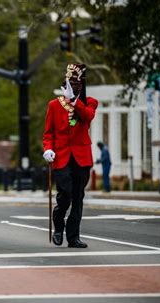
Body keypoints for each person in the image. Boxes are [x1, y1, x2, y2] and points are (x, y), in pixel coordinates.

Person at [42, 63, 98, 248]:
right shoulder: (54, 105)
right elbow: (48, 133)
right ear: (65, 83)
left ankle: (73, 237)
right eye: (72, 83)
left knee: (78, 197)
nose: (75, 86)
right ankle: (59, 226)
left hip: (81, 157)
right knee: (64, 195)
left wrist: (75, 100)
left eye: (78, 83)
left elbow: (87, 116)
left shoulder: (89, 103)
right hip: (62, 157)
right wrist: (48, 148)